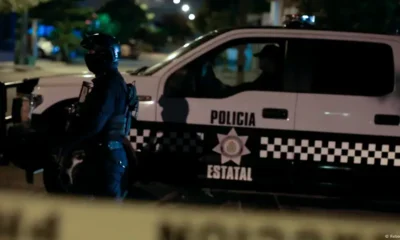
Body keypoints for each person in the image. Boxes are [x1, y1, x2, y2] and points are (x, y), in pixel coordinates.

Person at [62, 33, 137, 200]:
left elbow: (95, 123)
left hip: (106, 159)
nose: (89, 56)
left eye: (93, 52)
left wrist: (68, 144)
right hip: (101, 156)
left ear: (106, 55)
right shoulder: (111, 81)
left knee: (105, 216)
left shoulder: (109, 85)